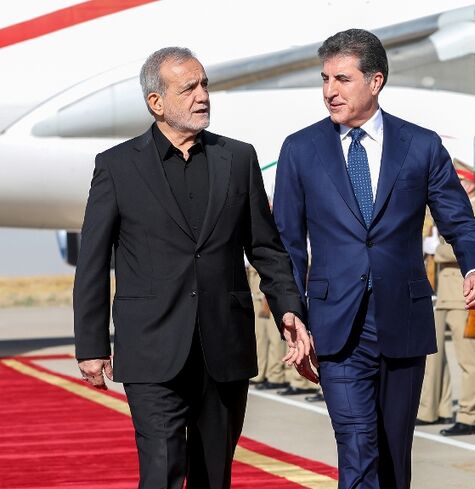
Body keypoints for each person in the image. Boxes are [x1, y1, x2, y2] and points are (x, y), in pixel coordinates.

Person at [73, 47, 310, 489]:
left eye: (205, 85)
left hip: (223, 346)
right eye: (189, 88)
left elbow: (266, 248)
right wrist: (91, 344)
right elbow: (91, 262)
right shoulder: (117, 166)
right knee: (162, 471)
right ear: (156, 102)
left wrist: (289, 310)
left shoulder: (238, 159)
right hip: (151, 348)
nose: (203, 95)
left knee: (214, 476)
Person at [272, 29, 475, 489]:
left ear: (375, 81)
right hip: (336, 323)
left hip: (402, 318)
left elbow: (458, 218)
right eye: (325, 79)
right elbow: (287, 243)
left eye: (343, 79)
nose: (330, 90)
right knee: (356, 446)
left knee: (394, 452)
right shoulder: (300, 149)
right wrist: (291, 312)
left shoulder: (421, 145)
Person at [427, 159, 475, 437]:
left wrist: (437, 249)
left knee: (469, 356)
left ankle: (471, 415)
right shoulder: (458, 205)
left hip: (464, 291)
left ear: (468, 183)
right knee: (466, 354)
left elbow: (468, 245)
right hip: (447, 291)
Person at [416, 207, 454, 426]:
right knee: (437, 355)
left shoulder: (442, 210)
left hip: (446, 289)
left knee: (432, 353)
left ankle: (430, 409)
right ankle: (443, 406)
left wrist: (436, 249)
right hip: (433, 286)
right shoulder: (427, 211)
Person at [248, 265, 290, 390]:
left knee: (275, 338)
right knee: (260, 338)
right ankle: (262, 372)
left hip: (268, 292)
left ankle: (276, 375)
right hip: (256, 293)